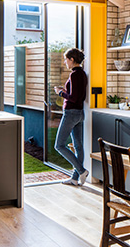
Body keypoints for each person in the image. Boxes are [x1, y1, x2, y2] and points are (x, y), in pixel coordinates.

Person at [54, 47, 89, 186]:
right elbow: (80, 96)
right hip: (80, 113)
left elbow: (73, 98)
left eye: (66, 59)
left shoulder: (74, 75)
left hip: (71, 113)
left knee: (59, 145)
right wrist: (66, 91)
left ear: (72, 60)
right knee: (78, 146)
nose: (64, 62)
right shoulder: (82, 74)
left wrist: (60, 93)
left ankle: (81, 171)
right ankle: (75, 178)